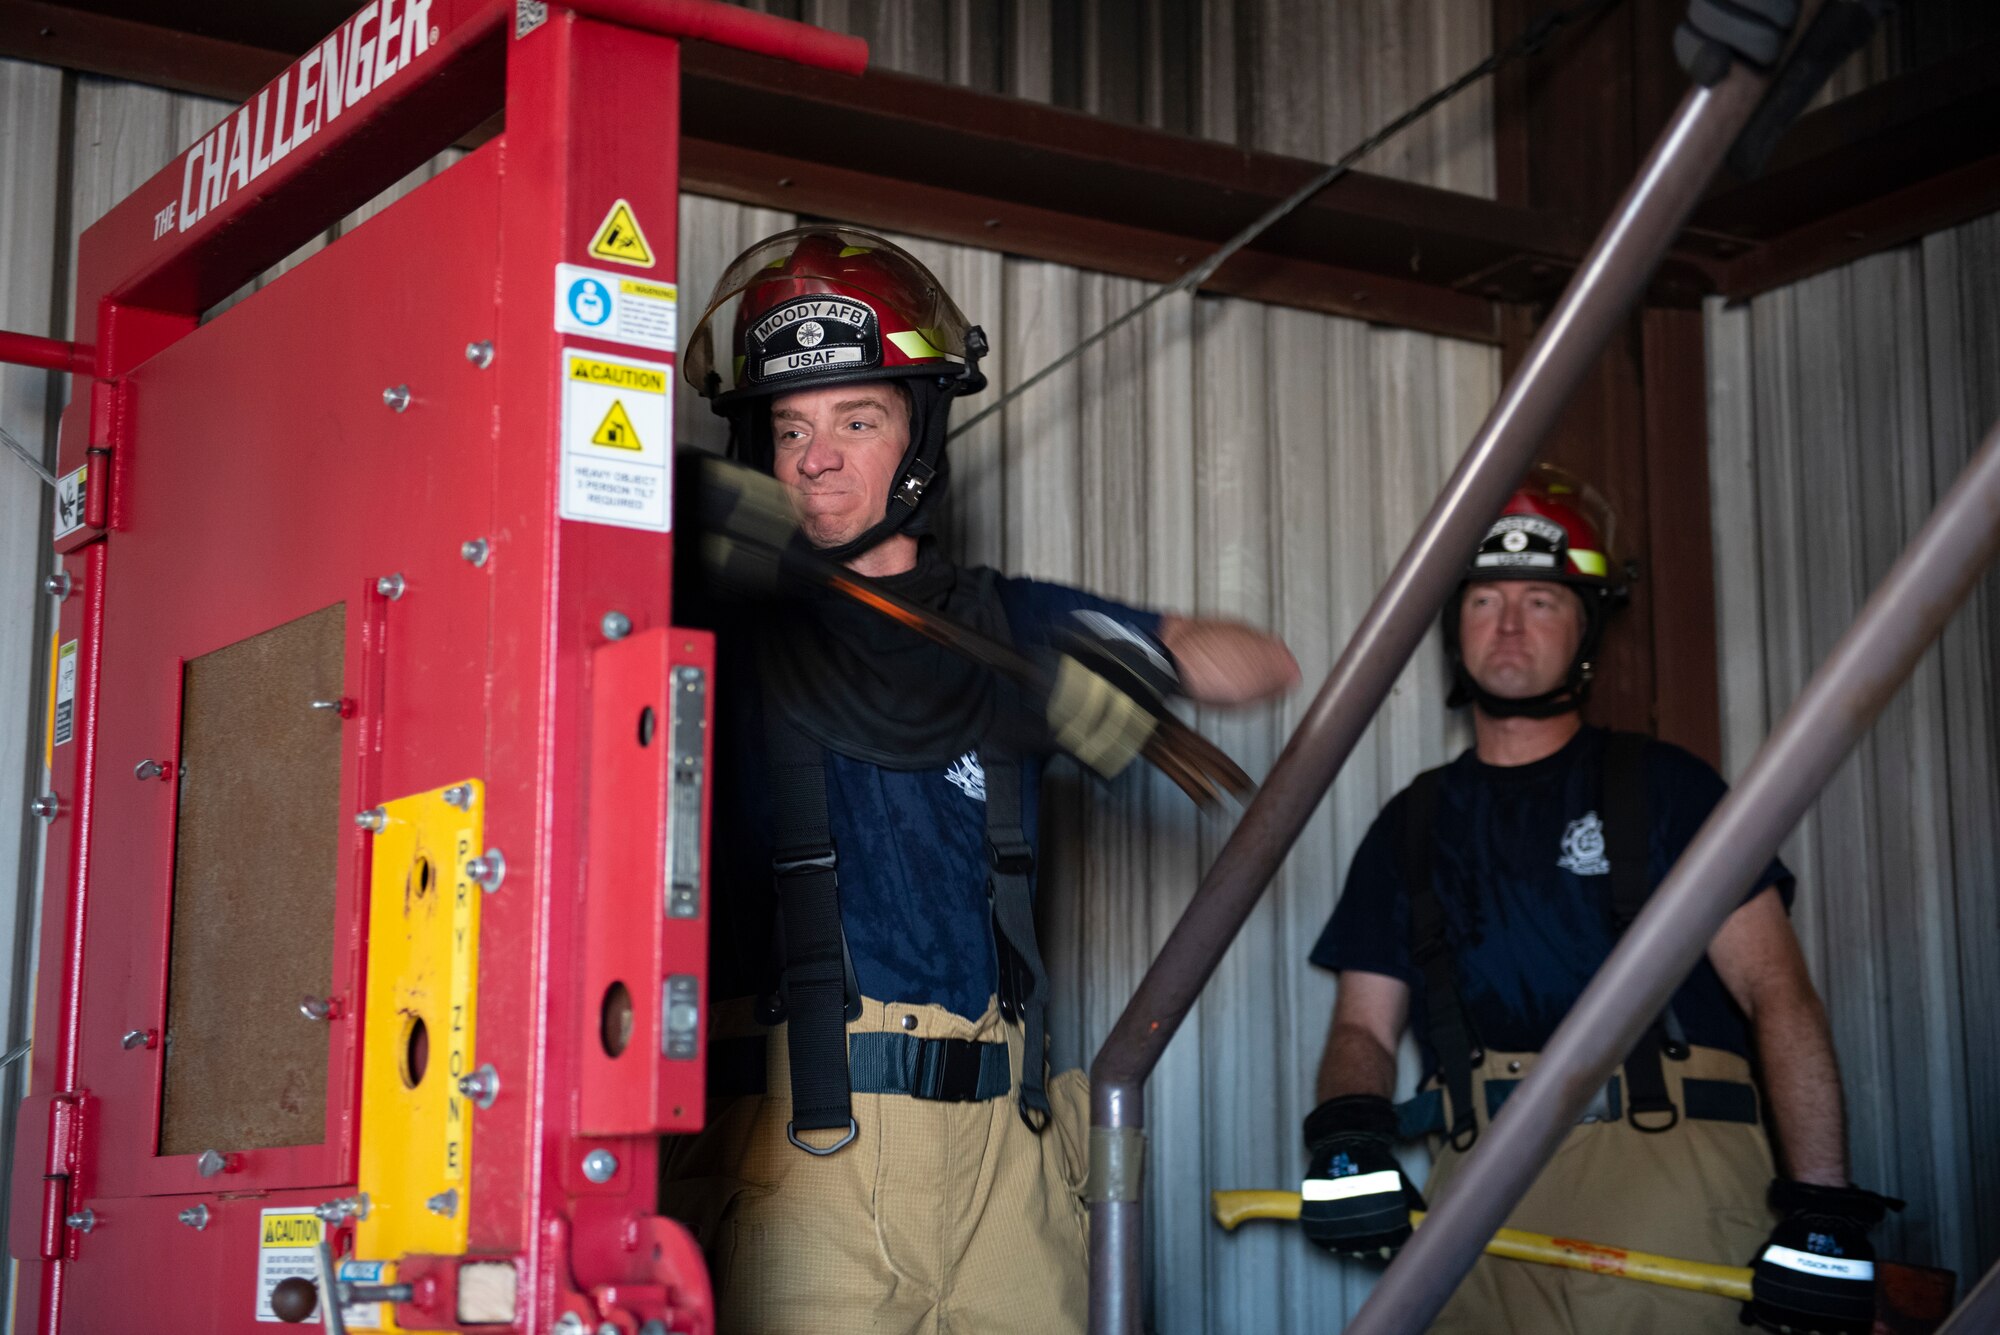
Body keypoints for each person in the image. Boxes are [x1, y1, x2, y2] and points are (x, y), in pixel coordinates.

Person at [662, 226, 1298, 1335]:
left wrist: (1103, 666)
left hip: (1012, 1154)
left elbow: (1255, 662)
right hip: (801, 1151)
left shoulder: (1005, 624)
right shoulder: (720, 616)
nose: (817, 458)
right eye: (789, 430)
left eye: (856, 421)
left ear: (920, 440)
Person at [1299, 468, 1896, 1335]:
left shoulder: (1669, 789)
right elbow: (1361, 1027)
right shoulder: (1410, 824)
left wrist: (1823, 1211)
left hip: (1670, 1173)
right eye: (1484, 599)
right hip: (1475, 1200)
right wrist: (1349, 1137)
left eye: (1540, 599)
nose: (1507, 625)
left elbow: (1780, 993)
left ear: (1586, 627)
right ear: (1452, 627)